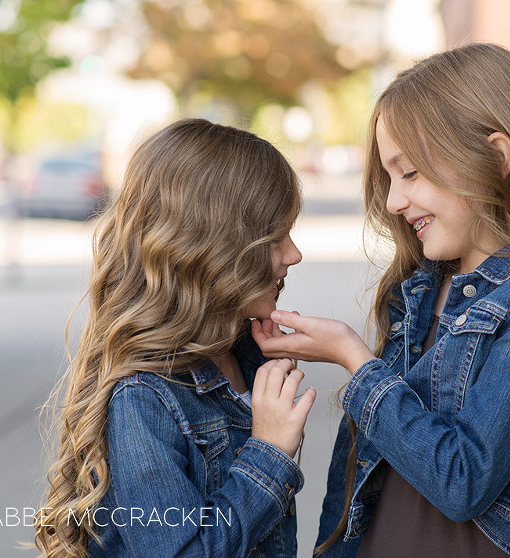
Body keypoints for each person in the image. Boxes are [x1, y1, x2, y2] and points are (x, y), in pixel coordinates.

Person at [252, 43, 510, 557]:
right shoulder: (419, 285)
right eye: (389, 178)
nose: (392, 201)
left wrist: (354, 359)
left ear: (496, 158)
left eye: (410, 173)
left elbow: (462, 480)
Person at [34, 118, 315, 557]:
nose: (294, 255)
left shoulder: (246, 357)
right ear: (209, 249)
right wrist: (269, 451)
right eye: (276, 238)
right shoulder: (144, 397)